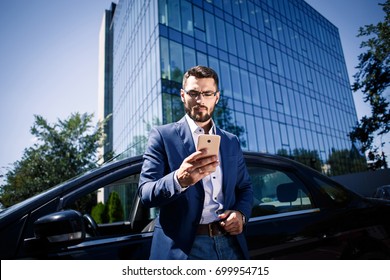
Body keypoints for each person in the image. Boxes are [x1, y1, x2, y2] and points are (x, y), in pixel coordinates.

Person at [138, 65, 253, 260]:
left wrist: (241, 214)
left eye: (207, 93)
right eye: (193, 93)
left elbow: (245, 188)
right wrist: (179, 180)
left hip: (230, 245)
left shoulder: (231, 141)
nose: (200, 100)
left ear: (216, 97)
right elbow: (146, 193)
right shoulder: (162, 136)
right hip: (184, 249)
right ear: (183, 95)